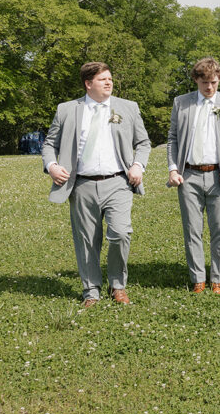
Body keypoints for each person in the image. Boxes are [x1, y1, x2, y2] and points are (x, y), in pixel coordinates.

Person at [42, 62, 150, 307]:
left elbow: (143, 143)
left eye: (110, 78)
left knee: (121, 233)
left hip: (118, 182)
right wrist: (52, 166)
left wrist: (138, 166)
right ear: (88, 84)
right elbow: (49, 144)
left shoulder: (128, 108)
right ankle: (91, 291)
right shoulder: (67, 110)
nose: (109, 83)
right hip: (81, 185)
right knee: (88, 240)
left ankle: (118, 286)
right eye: (102, 80)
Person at [167, 57, 220, 295]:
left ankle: (217, 278)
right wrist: (173, 169)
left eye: (213, 82)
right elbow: (173, 138)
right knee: (192, 229)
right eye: (204, 82)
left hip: (219, 175)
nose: (209, 87)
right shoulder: (182, 103)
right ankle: (198, 278)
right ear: (196, 80)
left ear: (219, 79)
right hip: (188, 174)